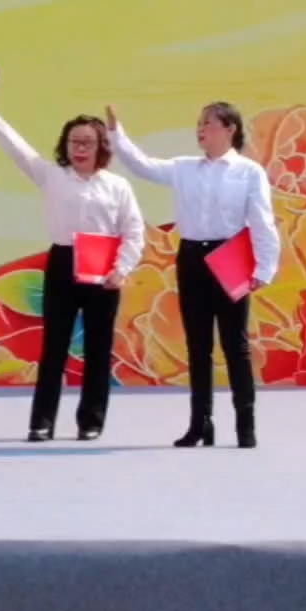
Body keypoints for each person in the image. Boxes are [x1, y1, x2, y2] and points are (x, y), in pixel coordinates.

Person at [0, 85, 142, 442]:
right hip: (64, 263)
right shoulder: (52, 175)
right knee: (53, 347)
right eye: (73, 142)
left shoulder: (117, 187)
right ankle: (42, 421)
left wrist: (122, 269)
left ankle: (91, 421)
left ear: (101, 147)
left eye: (87, 142)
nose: (79, 148)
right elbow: (18, 150)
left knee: (98, 349)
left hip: (103, 269)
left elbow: (133, 231)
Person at [108, 101, 278, 448]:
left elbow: (262, 220)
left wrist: (265, 267)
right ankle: (200, 424)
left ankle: (245, 425)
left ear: (229, 129)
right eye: (199, 123)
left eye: (208, 124)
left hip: (230, 256)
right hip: (191, 259)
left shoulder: (248, 172)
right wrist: (116, 134)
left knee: (235, 346)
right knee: (197, 346)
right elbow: (142, 166)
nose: (200, 129)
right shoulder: (184, 168)